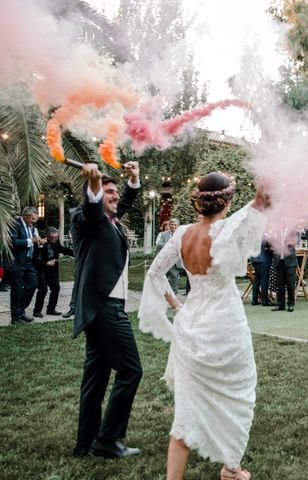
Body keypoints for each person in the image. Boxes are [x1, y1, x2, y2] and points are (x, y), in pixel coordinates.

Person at [138, 172, 268, 480]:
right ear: (226, 201)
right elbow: (263, 203)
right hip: (225, 324)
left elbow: (154, 275)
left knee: (186, 411)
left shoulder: (182, 233)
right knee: (238, 394)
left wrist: (177, 306)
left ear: (199, 200)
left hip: (191, 323)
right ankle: (231, 468)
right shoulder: (229, 229)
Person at [71, 162, 143, 458]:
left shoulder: (110, 220)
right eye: (108, 192)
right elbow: (91, 210)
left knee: (96, 377)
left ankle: (85, 444)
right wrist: (93, 187)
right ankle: (108, 440)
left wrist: (134, 181)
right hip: (106, 309)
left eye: (114, 192)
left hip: (99, 310)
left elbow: (121, 202)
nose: (114, 196)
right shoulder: (86, 219)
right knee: (131, 370)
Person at [6, 207, 41, 325]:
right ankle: (15, 317)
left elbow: (31, 242)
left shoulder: (30, 226)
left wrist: (38, 242)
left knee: (32, 285)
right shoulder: (14, 224)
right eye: (32, 219)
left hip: (28, 262)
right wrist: (31, 240)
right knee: (16, 290)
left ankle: (20, 310)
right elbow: (13, 242)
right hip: (17, 263)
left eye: (35, 219)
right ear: (25, 216)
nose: (34, 221)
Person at [32, 226, 74, 317]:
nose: (55, 239)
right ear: (47, 237)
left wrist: (75, 253)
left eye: (56, 237)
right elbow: (35, 259)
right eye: (52, 238)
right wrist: (46, 263)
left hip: (53, 269)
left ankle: (51, 309)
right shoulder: (41, 242)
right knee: (43, 289)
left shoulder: (56, 241)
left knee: (56, 288)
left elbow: (62, 249)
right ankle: (37, 311)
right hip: (42, 269)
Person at [272, 233, 297, 313]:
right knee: (279, 285)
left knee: (290, 284)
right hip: (279, 261)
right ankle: (280, 304)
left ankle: (291, 304)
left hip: (290, 262)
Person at [251, 237, 273, 306]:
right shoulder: (265, 234)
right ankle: (265, 301)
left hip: (255, 259)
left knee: (257, 280)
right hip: (263, 259)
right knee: (264, 281)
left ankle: (254, 300)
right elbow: (269, 248)